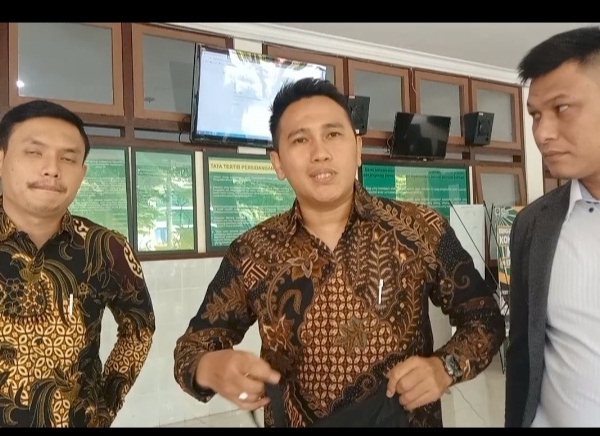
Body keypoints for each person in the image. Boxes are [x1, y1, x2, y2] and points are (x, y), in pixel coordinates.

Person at [173, 77, 505, 427]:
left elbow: (485, 319)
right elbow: (191, 349)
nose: (320, 152)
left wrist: (445, 367)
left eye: (333, 134)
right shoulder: (252, 251)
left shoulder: (422, 228)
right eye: (300, 139)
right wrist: (208, 367)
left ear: (357, 148)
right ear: (278, 163)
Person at [0, 100, 156, 427]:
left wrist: (103, 407)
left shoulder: (107, 249)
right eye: (34, 152)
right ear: (2, 159)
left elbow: (139, 329)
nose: (52, 169)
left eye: (68, 158)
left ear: (82, 173)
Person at [505, 26, 600, 428]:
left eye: (562, 108)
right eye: (535, 116)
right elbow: (522, 355)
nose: (542, 134)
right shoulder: (534, 224)